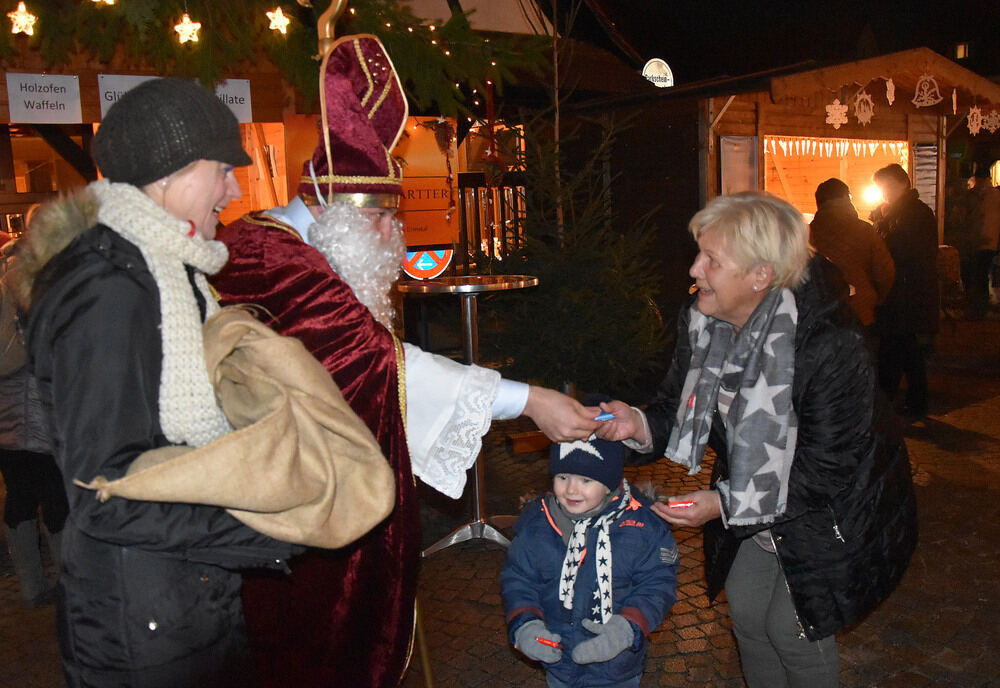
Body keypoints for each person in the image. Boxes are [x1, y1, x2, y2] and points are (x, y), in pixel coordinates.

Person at [209, 34, 601, 688]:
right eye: (384, 219)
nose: (395, 241)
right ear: (336, 212)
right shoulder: (273, 264)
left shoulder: (288, 249)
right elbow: (377, 366)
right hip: (284, 531)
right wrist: (529, 400)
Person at [10, 78, 298, 688]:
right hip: (141, 624)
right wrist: (270, 523)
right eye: (222, 169)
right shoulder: (111, 290)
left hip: (175, 601)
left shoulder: (162, 270)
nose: (234, 188)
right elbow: (106, 489)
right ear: (168, 174)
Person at [596, 192, 917, 688]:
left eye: (711, 260)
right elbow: (673, 404)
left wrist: (722, 505)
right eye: (698, 253)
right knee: (746, 613)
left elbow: (828, 468)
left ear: (760, 275)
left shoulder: (829, 343)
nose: (695, 270)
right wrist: (636, 423)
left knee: (793, 632)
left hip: (836, 509)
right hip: (753, 495)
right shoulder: (703, 320)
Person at [500, 437, 677, 688]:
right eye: (563, 477)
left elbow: (657, 584)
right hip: (559, 663)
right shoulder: (537, 523)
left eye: (586, 480)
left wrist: (627, 628)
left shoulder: (643, 528)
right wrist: (526, 624)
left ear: (608, 484)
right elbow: (519, 578)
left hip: (617, 667)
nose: (572, 489)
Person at [0, 237, 68, 607]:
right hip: (38, 414)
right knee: (54, 497)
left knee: (20, 497)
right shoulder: (33, 288)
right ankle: (68, 582)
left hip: (5, 421)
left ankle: (30, 585)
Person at [870, 163, 939, 418]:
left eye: (887, 187)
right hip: (901, 290)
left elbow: (903, 250)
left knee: (900, 346)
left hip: (907, 290)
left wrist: (882, 225)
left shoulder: (915, 213)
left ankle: (902, 401)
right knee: (903, 347)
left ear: (901, 184)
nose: (884, 192)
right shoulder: (898, 212)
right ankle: (907, 401)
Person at [809, 178, 895, 334]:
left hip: (821, 312)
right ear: (845, 198)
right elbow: (885, 271)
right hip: (860, 311)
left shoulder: (808, 234)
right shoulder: (864, 230)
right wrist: (875, 297)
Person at [962, 165, 1000, 319]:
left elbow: (974, 219)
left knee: (977, 273)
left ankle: (977, 307)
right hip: (990, 240)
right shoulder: (995, 195)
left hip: (980, 241)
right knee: (981, 273)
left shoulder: (977, 195)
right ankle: (980, 306)